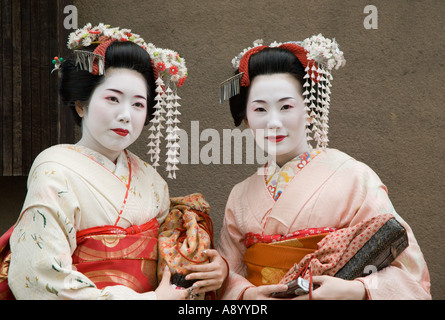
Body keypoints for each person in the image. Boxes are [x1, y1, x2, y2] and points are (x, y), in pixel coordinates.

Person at [3, 23, 227, 300]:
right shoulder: (54, 169)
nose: (126, 115)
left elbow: (171, 269)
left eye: (138, 104)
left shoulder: (152, 181)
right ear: (80, 104)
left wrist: (211, 270)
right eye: (113, 99)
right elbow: (40, 275)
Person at [217, 35, 431, 300]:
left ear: (310, 110)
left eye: (286, 106)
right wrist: (246, 295)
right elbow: (227, 276)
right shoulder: (239, 196)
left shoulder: (355, 177)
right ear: (246, 119)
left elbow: (409, 269)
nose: (273, 122)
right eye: (260, 109)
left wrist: (356, 290)